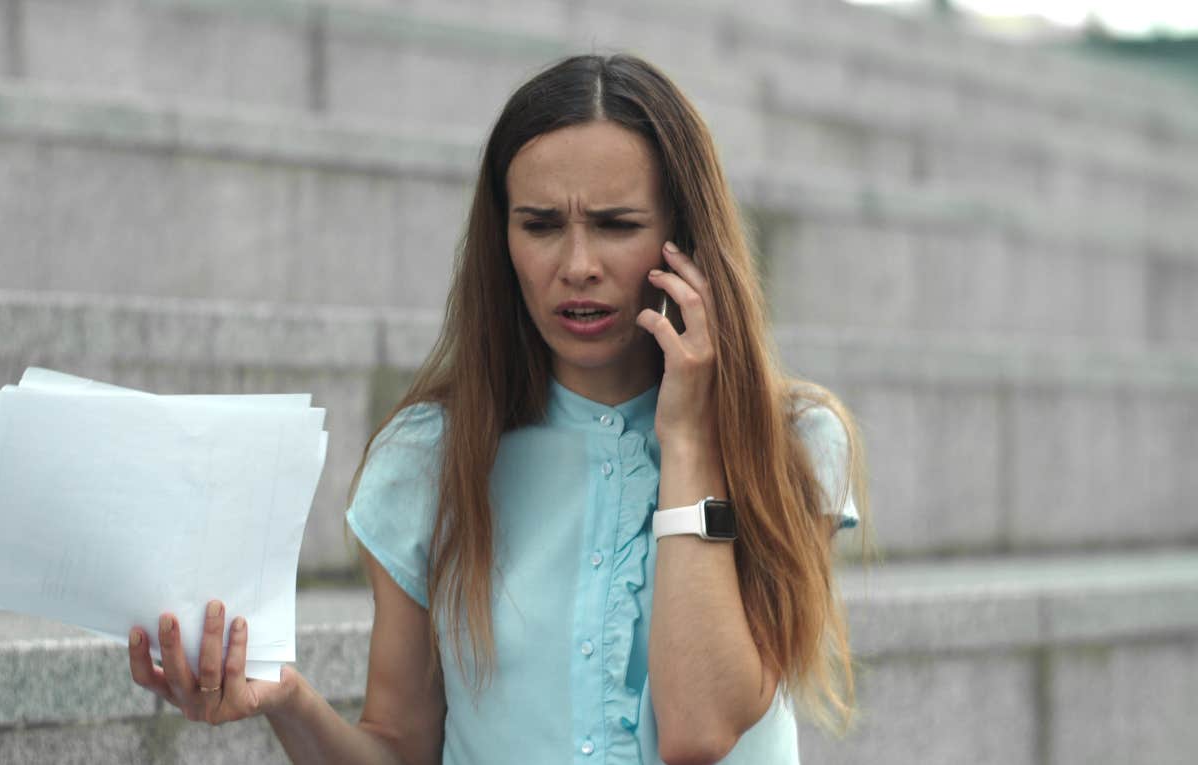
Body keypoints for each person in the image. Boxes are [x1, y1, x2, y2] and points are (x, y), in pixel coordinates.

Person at [127, 52, 872, 764]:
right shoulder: (432, 456)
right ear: (502, 236)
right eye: (541, 224)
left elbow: (698, 726)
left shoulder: (793, 443)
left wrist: (688, 440)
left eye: (615, 224)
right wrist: (286, 698)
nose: (576, 264)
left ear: (685, 240)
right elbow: (398, 748)